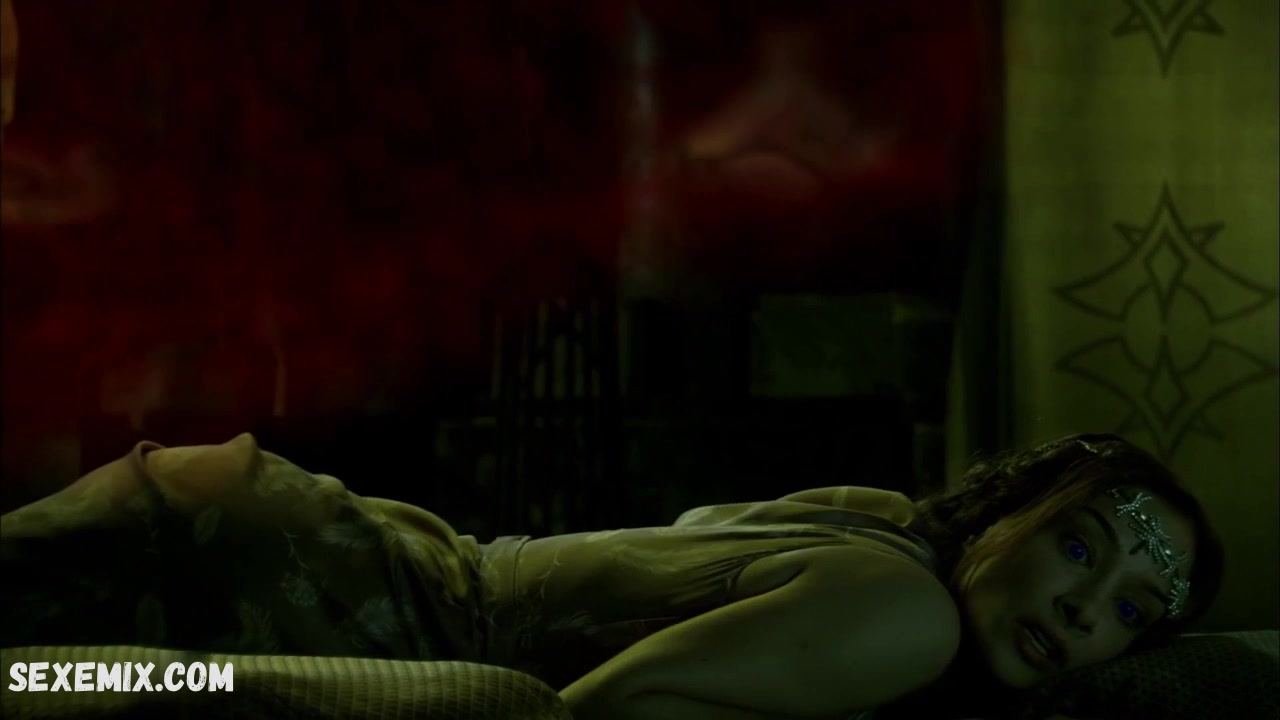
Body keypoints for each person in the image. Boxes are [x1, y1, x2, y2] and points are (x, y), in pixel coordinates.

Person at [0, 431, 1223, 719]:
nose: (1081, 608)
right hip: (312, 586)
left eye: (1129, 608)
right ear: (1000, 521)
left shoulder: (878, 524)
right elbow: (590, 716)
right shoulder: (905, 614)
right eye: (1078, 546)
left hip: (291, 527)